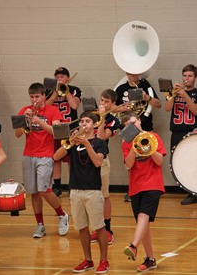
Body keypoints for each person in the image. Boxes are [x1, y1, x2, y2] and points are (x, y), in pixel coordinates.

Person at [54, 111, 110, 274]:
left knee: (99, 227)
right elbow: (55, 156)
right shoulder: (73, 143)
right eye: (82, 121)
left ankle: (104, 261)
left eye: (87, 121)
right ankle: (88, 260)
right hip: (75, 190)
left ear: (94, 125)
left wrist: (86, 143)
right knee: (82, 227)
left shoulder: (100, 143)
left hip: (92, 191)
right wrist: (69, 143)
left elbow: (98, 162)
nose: (84, 124)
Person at [15, 82, 69, 238]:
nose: (34, 100)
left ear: (44, 96)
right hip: (28, 155)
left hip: (46, 155)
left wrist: (39, 121)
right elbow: (18, 134)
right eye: (32, 97)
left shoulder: (53, 110)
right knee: (34, 192)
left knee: (44, 189)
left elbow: (57, 132)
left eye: (37, 97)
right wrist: (25, 121)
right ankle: (40, 225)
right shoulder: (25, 110)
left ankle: (62, 214)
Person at [121, 112, 166, 273]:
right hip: (135, 185)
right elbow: (128, 164)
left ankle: (133, 246)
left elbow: (159, 161)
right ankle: (150, 259)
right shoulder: (126, 143)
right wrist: (134, 145)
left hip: (153, 184)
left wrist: (146, 141)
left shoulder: (153, 137)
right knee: (143, 224)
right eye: (128, 126)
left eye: (134, 123)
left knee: (143, 216)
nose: (132, 127)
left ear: (139, 121)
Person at [115, 73, 161, 202]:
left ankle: (151, 189)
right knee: (130, 162)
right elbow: (111, 108)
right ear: (126, 74)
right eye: (129, 74)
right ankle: (132, 190)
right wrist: (122, 108)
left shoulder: (145, 85)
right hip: (127, 130)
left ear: (139, 74)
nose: (132, 77)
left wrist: (146, 97)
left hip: (145, 127)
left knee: (149, 160)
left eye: (135, 74)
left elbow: (158, 104)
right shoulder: (121, 89)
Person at [46, 67, 82, 197]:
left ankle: (73, 185)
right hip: (55, 129)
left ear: (68, 78)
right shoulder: (49, 90)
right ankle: (58, 187)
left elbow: (74, 106)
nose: (59, 79)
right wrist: (55, 93)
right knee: (56, 158)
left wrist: (65, 91)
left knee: (72, 159)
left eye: (62, 77)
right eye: (57, 77)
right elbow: (45, 106)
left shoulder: (75, 90)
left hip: (71, 128)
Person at [90, 89, 120, 245]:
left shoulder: (114, 120)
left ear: (113, 104)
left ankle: (107, 230)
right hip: (87, 160)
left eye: (106, 101)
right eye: (101, 100)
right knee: (92, 197)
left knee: (104, 196)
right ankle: (97, 228)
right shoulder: (91, 115)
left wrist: (101, 119)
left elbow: (101, 138)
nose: (102, 103)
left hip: (102, 160)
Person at [165, 64, 197, 205]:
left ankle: (194, 193)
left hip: (191, 132)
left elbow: (196, 111)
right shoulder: (175, 92)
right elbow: (167, 109)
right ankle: (190, 192)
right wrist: (172, 94)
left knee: (193, 163)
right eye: (185, 76)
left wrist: (185, 95)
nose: (187, 79)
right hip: (176, 132)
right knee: (179, 163)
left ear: (195, 78)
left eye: (190, 76)